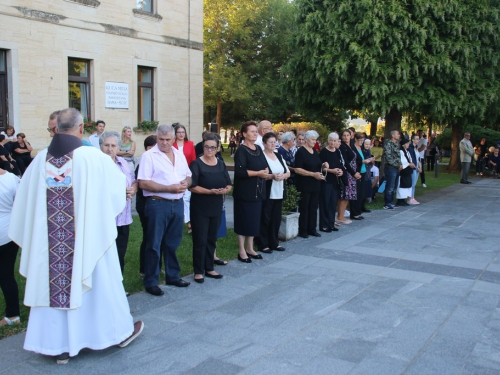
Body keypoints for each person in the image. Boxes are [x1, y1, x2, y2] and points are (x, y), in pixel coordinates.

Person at [8, 108, 143, 364]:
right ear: (81, 129)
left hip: (49, 248)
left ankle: (56, 346)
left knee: (51, 286)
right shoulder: (94, 158)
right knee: (99, 284)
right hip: (88, 241)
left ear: (56, 129)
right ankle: (114, 334)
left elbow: (23, 201)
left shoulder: (38, 162)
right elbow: (118, 192)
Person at [138, 124, 192, 296]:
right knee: (154, 243)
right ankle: (151, 281)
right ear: (156, 138)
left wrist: (186, 183)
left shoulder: (178, 154)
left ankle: (172, 275)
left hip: (177, 203)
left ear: (174, 138)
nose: (164, 143)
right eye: (161, 139)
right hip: (157, 203)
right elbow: (143, 183)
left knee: (173, 242)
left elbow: (188, 176)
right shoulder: (149, 156)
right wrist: (169, 188)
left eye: (168, 139)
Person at [189, 133, 232, 283]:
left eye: (213, 147)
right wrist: (210, 191)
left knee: (212, 238)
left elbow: (228, 183)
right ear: (203, 146)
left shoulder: (220, 163)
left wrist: (225, 190)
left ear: (218, 148)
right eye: (207, 147)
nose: (209, 150)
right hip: (200, 207)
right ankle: (198, 271)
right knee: (200, 238)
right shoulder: (196, 164)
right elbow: (192, 186)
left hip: (216, 206)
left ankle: (210, 268)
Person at [100, 131, 138, 277]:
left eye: (113, 145)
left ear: (118, 147)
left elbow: (133, 180)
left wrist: (132, 190)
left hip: (123, 218)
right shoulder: (98, 165)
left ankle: (118, 289)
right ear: (101, 146)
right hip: (105, 219)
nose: (110, 149)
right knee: (104, 256)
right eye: (106, 145)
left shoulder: (124, 163)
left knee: (120, 254)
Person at [233, 121, 272, 262]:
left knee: (254, 221)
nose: (256, 133)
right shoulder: (241, 150)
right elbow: (240, 172)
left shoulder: (258, 148)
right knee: (243, 220)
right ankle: (242, 250)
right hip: (244, 191)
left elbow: (264, 165)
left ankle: (250, 248)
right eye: (252, 131)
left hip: (258, 190)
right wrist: (258, 173)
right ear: (244, 134)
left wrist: (266, 172)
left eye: (256, 131)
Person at [256, 132, 290, 252]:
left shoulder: (278, 155)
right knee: (265, 218)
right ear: (264, 143)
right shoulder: (261, 156)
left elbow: (288, 172)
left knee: (276, 218)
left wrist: (283, 176)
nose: (273, 144)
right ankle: (263, 244)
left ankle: (274, 242)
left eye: (275, 142)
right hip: (267, 191)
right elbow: (261, 175)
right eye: (270, 142)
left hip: (279, 191)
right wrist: (272, 176)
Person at [135, 135, 161, 276]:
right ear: (146, 149)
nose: (152, 150)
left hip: (158, 205)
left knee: (159, 237)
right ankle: (144, 269)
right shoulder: (142, 164)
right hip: (145, 205)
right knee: (148, 236)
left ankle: (158, 265)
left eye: (154, 147)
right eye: (150, 147)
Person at [295, 130, 325, 238]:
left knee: (313, 207)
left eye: (315, 139)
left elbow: (317, 165)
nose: (314, 141)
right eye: (313, 139)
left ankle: (312, 229)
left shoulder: (314, 151)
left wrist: (324, 166)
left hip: (315, 184)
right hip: (305, 184)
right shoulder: (301, 152)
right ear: (306, 139)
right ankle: (303, 230)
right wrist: (313, 174)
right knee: (304, 207)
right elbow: (297, 169)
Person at [0, 168, 20, 327]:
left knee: (5, 276)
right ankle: (13, 315)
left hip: (7, 233)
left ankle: (13, 315)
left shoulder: (12, 179)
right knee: (6, 275)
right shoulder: (13, 179)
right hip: (10, 232)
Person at [173, 123, 196, 233]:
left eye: (183, 132)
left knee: (187, 197)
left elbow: (193, 159)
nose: (181, 134)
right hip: (174, 173)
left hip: (186, 174)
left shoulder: (190, 144)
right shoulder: (172, 144)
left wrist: (191, 174)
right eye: (179, 132)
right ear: (175, 133)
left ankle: (189, 222)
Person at [319, 133, 345, 232]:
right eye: (331, 140)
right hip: (326, 181)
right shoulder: (324, 152)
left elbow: (340, 164)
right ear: (328, 140)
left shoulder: (338, 151)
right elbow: (321, 167)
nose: (333, 142)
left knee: (333, 203)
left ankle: (331, 223)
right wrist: (331, 170)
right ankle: (324, 225)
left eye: (335, 140)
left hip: (335, 181)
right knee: (325, 202)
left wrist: (340, 171)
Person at [337, 129, 359, 224]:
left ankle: (342, 216)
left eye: (347, 135)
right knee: (344, 195)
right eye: (344, 135)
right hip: (347, 172)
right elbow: (345, 161)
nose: (346, 137)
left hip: (353, 172)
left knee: (348, 195)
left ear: (351, 136)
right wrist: (353, 173)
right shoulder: (342, 146)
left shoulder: (352, 146)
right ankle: (340, 216)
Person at [351, 132, 374, 219]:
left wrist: (368, 160)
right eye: (360, 140)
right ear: (356, 139)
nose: (361, 142)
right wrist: (363, 161)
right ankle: (354, 213)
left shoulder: (360, 148)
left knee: (360, 193)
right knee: (356, 193)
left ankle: (358, 211)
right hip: (357, 172)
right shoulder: (353, 148)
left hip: (363, 171)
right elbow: (354, 161)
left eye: (362, 140)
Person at [383, 130, 402, 210]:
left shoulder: (396, 144)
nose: (399, 135)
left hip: (396, 168)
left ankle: (391, 201)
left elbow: (398, 156)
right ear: (393, 135)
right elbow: (389, 157)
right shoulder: (388, 144)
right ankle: (387, 203)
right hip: (390, 167)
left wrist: (400, 164)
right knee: (390, 186)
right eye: (397, 134)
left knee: (394, 186)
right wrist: (398, 165)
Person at [396, 138, 415, 206]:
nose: (408, 145)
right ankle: (400, 200)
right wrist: (409, 164)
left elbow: (410, 159)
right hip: (403, 171)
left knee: (407, 185)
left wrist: (411, 163)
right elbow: (403, 161)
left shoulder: (407, 151)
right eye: (407, 143)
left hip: (408, 171)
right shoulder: (401, 151)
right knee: (402, 185)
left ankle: (404, 199)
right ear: (403, 144)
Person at [408, 134, 421, 205]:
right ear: (412, 139)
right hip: (413, 168)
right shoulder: (411, 148)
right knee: (412, 183)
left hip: (416, 167)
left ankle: (412, 197)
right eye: (416, 139)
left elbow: (418, 159)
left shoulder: (416, 148)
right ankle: (410, 198)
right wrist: (416, 167)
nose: (418, 140)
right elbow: (412, 159)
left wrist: (420, 167)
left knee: (414, 183)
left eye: (418, 139)